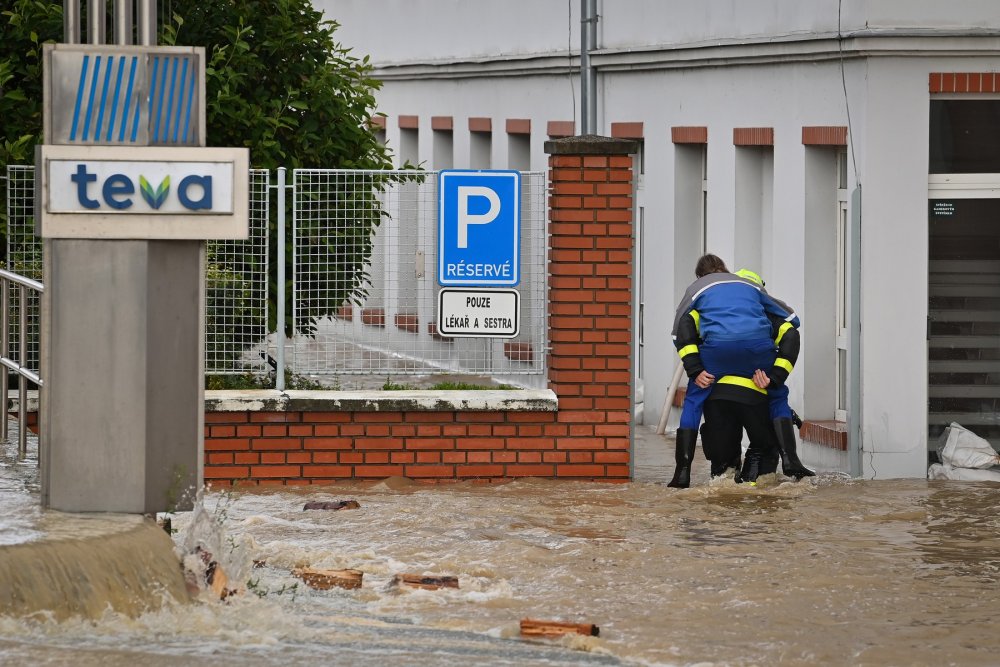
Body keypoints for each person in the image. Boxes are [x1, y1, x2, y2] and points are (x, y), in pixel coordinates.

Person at [666, 254, 800, 488]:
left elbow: (680, 330)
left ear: (700, 276)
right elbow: (792, 322)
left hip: (715, 365)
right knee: (777, 395)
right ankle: (791, 461)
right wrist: (775, 378)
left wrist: (695, 368)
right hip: (757, 360)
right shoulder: (754, 292)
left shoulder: (698, 291)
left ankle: (682, 472)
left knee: (694, 400)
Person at [731, 269, 815, 483]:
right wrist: (775, 377)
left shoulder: (721, 311)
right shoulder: (769, 315)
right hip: (758, 381)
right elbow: (790, 336)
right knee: (775, 406)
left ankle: (739, 482)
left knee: (751, 446)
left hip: (724, 387)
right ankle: (790, 461)